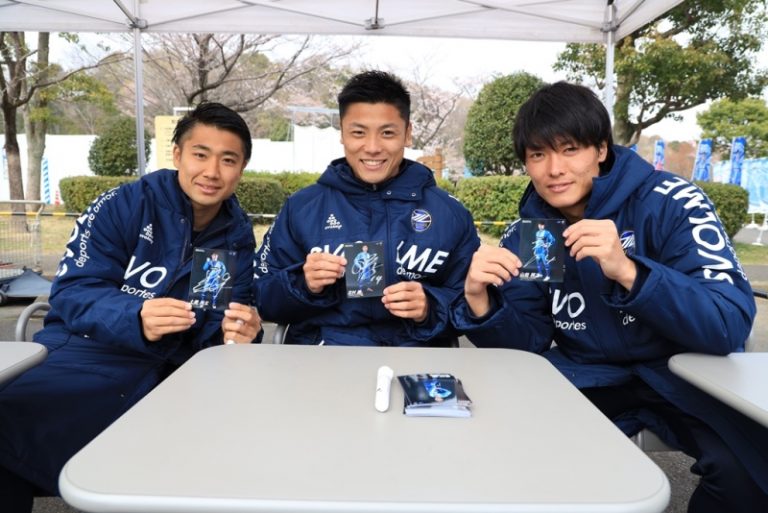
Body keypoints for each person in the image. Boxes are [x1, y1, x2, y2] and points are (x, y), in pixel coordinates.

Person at [451, 81, 768, 512]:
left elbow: (727, 323)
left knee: (747, 476)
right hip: (587, 376)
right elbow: (526, 344)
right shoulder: (533, 233)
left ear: (601, 149)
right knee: (503, 452)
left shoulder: (673, 202)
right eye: (538, 155)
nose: (554, 169)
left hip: (685, 374)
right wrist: (481, 302)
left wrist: (630, 272)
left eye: (570, 149)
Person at [0, 102, 261, 511]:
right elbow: (73, 291)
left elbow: (220, 321)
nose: (212, 171)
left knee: (226, 446)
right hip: (86, 353)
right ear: (177, 154)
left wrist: (240, 334)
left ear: (241, 168)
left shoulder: (237, 234)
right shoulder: (124, 205)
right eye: (200, 154)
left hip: (176, 372)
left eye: (228, 160)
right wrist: (135, 316)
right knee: (11, 418)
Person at [253, 70, 479, 346]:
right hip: (322, 357)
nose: (372, 147)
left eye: (387, 133)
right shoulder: (301, 208)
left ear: (408, 134)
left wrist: (430, 307)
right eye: (358, 132)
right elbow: (262, 297)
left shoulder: (450, 214)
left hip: (414, 359)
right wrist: (303, 283)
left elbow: (473, 305)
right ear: (342, 134)